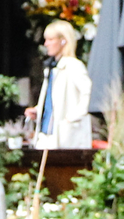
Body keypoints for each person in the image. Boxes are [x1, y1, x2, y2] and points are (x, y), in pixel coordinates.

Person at [29, 20, 92, 149]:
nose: (46, 44)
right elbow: (52, 99)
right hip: (46, 135)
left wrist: (72, 117)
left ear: (63, 41)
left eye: (51, 39)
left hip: (64, 137)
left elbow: (89, 93)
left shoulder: (74, 66)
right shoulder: (52, 68)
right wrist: (38, 110)